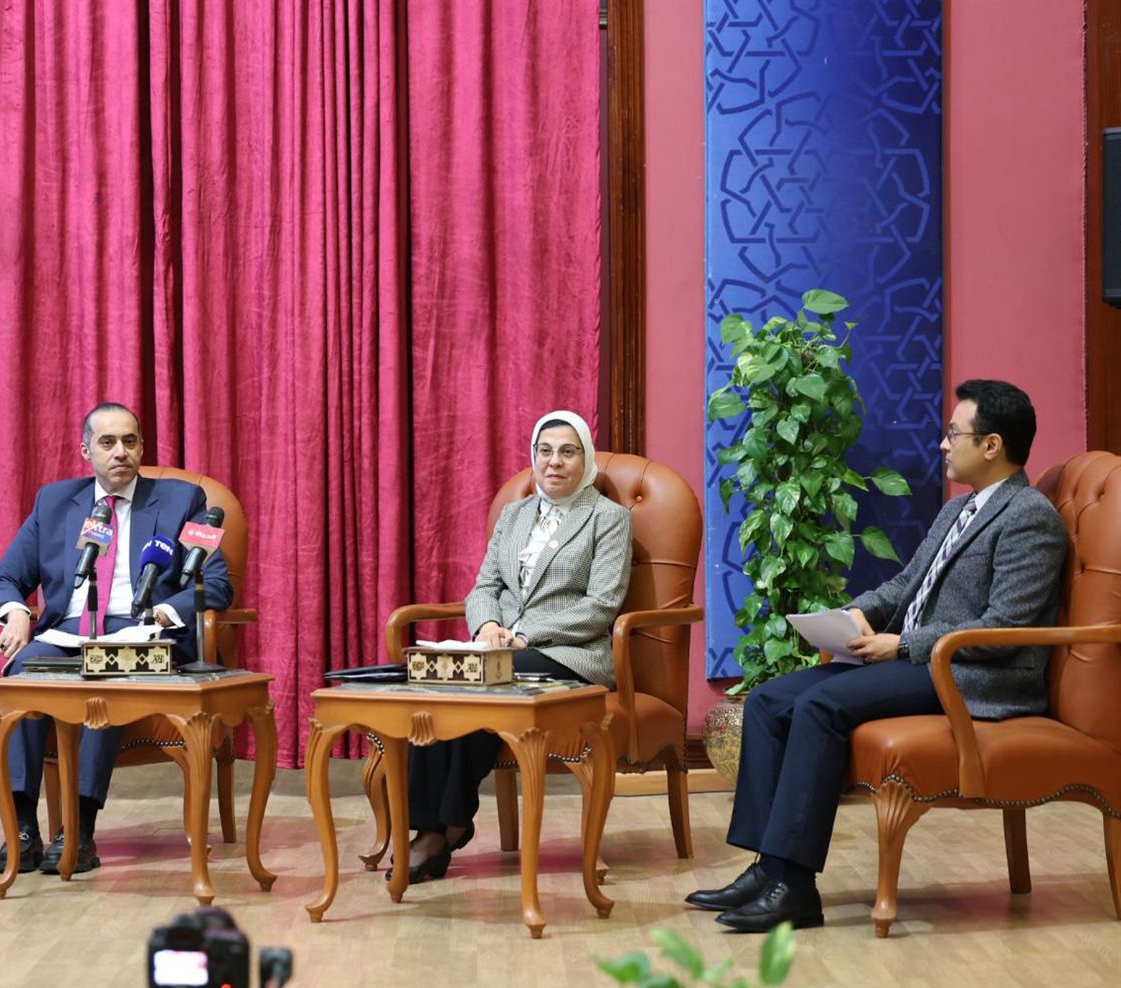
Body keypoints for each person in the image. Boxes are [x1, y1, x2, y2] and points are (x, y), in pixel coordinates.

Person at [690, 379, 1067, 932]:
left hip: (969, 672)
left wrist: (905, 643)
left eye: (954, 433)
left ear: (992, 445)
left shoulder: (1029, 516)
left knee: (821, 706)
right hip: (919, 661)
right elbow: (904, 585)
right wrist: (855, 615)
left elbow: (1005, 627)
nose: (943, 444)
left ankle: (795, 888)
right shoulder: (957, 510)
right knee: (769, 700)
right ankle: (768, 867)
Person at [0, 402, 232, 875]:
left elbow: (215, 582)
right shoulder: (55, 503)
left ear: (142, 447)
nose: (121, 452)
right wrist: (15, 612)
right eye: (108, 442)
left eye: (130, 441)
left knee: (105, 675)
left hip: (139, 632)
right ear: (86, 451)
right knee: (22, 677)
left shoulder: (183, 501)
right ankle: (22, 827)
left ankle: (79, 829)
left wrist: (163, 612)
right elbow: (5, 577)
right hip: (67, 632)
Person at [397, 410, 633, 883]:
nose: (554, 462)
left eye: (567, 452)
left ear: (585, 459)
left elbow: (602, 605)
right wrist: (487, 625)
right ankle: (432, 825)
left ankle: (445, 829)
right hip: (501, 648)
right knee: (436, 688)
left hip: (570, 654)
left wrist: (525, 635)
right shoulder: (514, 514)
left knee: (490, 682)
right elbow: (484, 586)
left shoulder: (609, 519)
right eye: (545, 451)